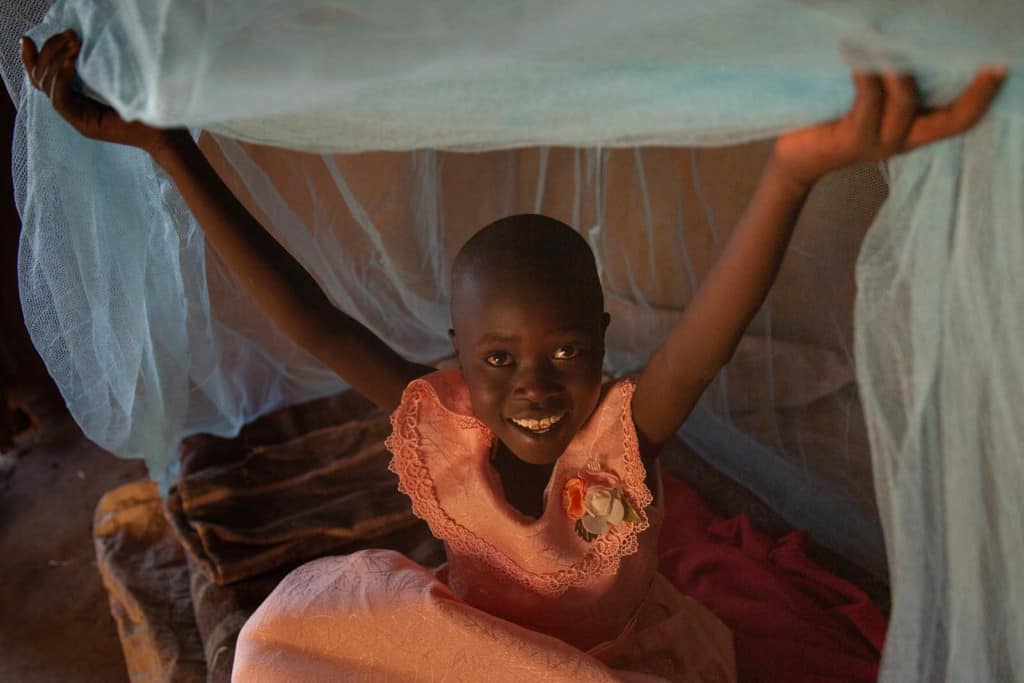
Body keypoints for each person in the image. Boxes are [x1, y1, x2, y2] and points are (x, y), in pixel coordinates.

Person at [22, 29, 1006, 682]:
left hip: (610, 667)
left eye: (565, 350)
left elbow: (710, 330)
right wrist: (168, 151)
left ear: (603, 347)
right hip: (481, 655)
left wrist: (791, 171)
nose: (534, 384)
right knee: (281, 649)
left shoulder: (624, 438)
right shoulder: (439, 425)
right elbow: (312, 317)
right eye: (498, 358)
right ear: (456, 354)